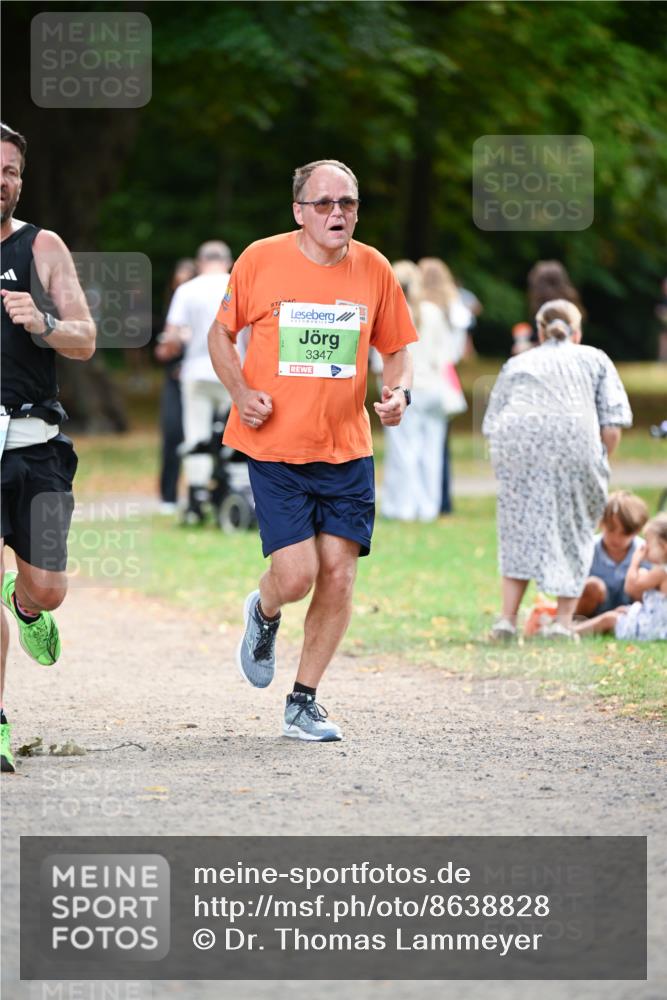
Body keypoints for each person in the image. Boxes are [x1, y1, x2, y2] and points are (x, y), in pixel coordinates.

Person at [208, 158, 415, 742]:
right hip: (275, 447)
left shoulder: (373, 268)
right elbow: (219, 334)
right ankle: (264, 610)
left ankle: (303, 701)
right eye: (323, 203)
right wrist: (241, 391)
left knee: (340, 575)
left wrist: (398, 392)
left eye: (347, 203)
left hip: (347, 448)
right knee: (296, 575)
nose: (337, 213)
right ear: (299, 211)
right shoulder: (261, 259)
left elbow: (397, 348)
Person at [0, 123, 96, 772]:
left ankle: (28, 603)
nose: (2, 180)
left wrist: (45, 322)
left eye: (12, 171)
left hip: (35, 445)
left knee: (51, 589)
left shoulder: (42, 247)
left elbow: (86, 338)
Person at [482, 298, 632, 642]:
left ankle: (506, 621)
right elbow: (611, 424)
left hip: (515, 443)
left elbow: (493, 421)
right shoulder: (595, 358)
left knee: (517, 527)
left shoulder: (518, 361)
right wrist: (598, 463)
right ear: (576, 331)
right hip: (574, 443)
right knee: (575, 526)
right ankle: (564, 623)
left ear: (539, 331)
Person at [159, 241, 235, 524]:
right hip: (233, 373)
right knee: (233, 435)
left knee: (196, 435)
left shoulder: (187, 290)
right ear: (228, 262)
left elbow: (173, 336)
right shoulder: (238, 285)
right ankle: (231, 488)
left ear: (200, 262)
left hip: (197, 371)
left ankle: (196, 495)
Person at [380, 260, 449, 521]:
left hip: (405, 388)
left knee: (403, 450)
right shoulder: (433, 312)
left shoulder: (395, 312)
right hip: (434, 387)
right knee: (431, 450)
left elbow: (382, 359)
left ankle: (403, 507)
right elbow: (445, 355)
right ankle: (428, 507)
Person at [417, 258, 469, 515]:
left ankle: (419, 501)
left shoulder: (417, 307)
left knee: (416, 444)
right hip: (443, 377)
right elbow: (456, 350)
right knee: (439, 444)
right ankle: (442, 500)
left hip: (422, 377)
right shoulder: (454, 306)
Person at [574, 514, 667, 641]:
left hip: (654, 628)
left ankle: (569, 632)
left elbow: (630, 587)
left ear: (663, 547)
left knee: (609, 619)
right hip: (657, 622)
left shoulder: (661, 572)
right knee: (623, 612)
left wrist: (635, 561)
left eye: (649, 544)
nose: (645, 548)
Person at [155, 257, 197, 514]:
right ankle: (168, 496)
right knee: (171, 434)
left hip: (200, 380)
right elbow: (161, 353)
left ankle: (198, 493)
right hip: (175, 381)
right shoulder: (171, 312)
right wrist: (173, 342)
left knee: (200, 438)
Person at [575, 491, 650, 618]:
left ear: (637, 530)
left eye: (624, 533)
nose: (616, 538)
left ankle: (643, 619)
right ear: (601, 524)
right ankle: (579, 621)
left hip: (632, 609)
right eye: (611, 530)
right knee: (593, 585)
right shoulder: (588, 548)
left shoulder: (644, 551)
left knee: (644, 575)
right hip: (594, 609)